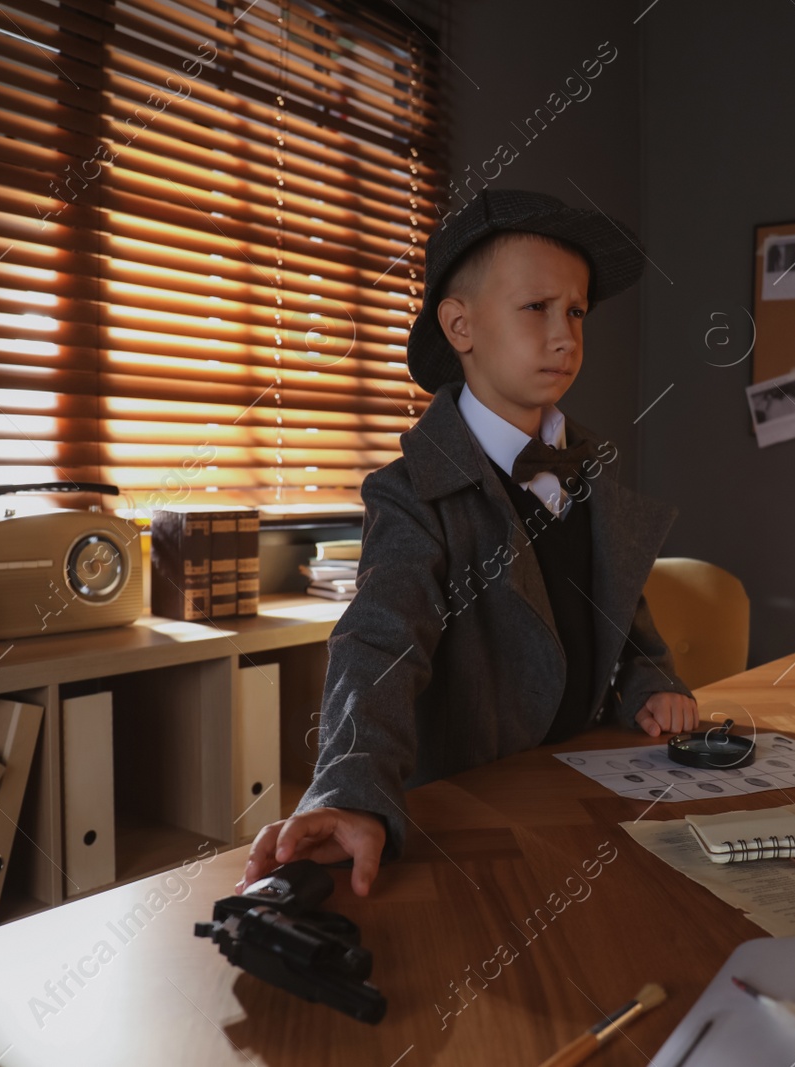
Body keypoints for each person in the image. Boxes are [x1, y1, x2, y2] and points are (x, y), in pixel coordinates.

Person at [237, 189, 699, 897]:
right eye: (536, 308)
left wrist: (652, 682)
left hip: (586, 785)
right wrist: (349, 786)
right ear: (460, 326)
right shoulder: (413, 491)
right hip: (473, 812)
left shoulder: (587, 466)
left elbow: (621, 615)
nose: (565, 335)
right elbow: (379, 641)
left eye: (576, 311)